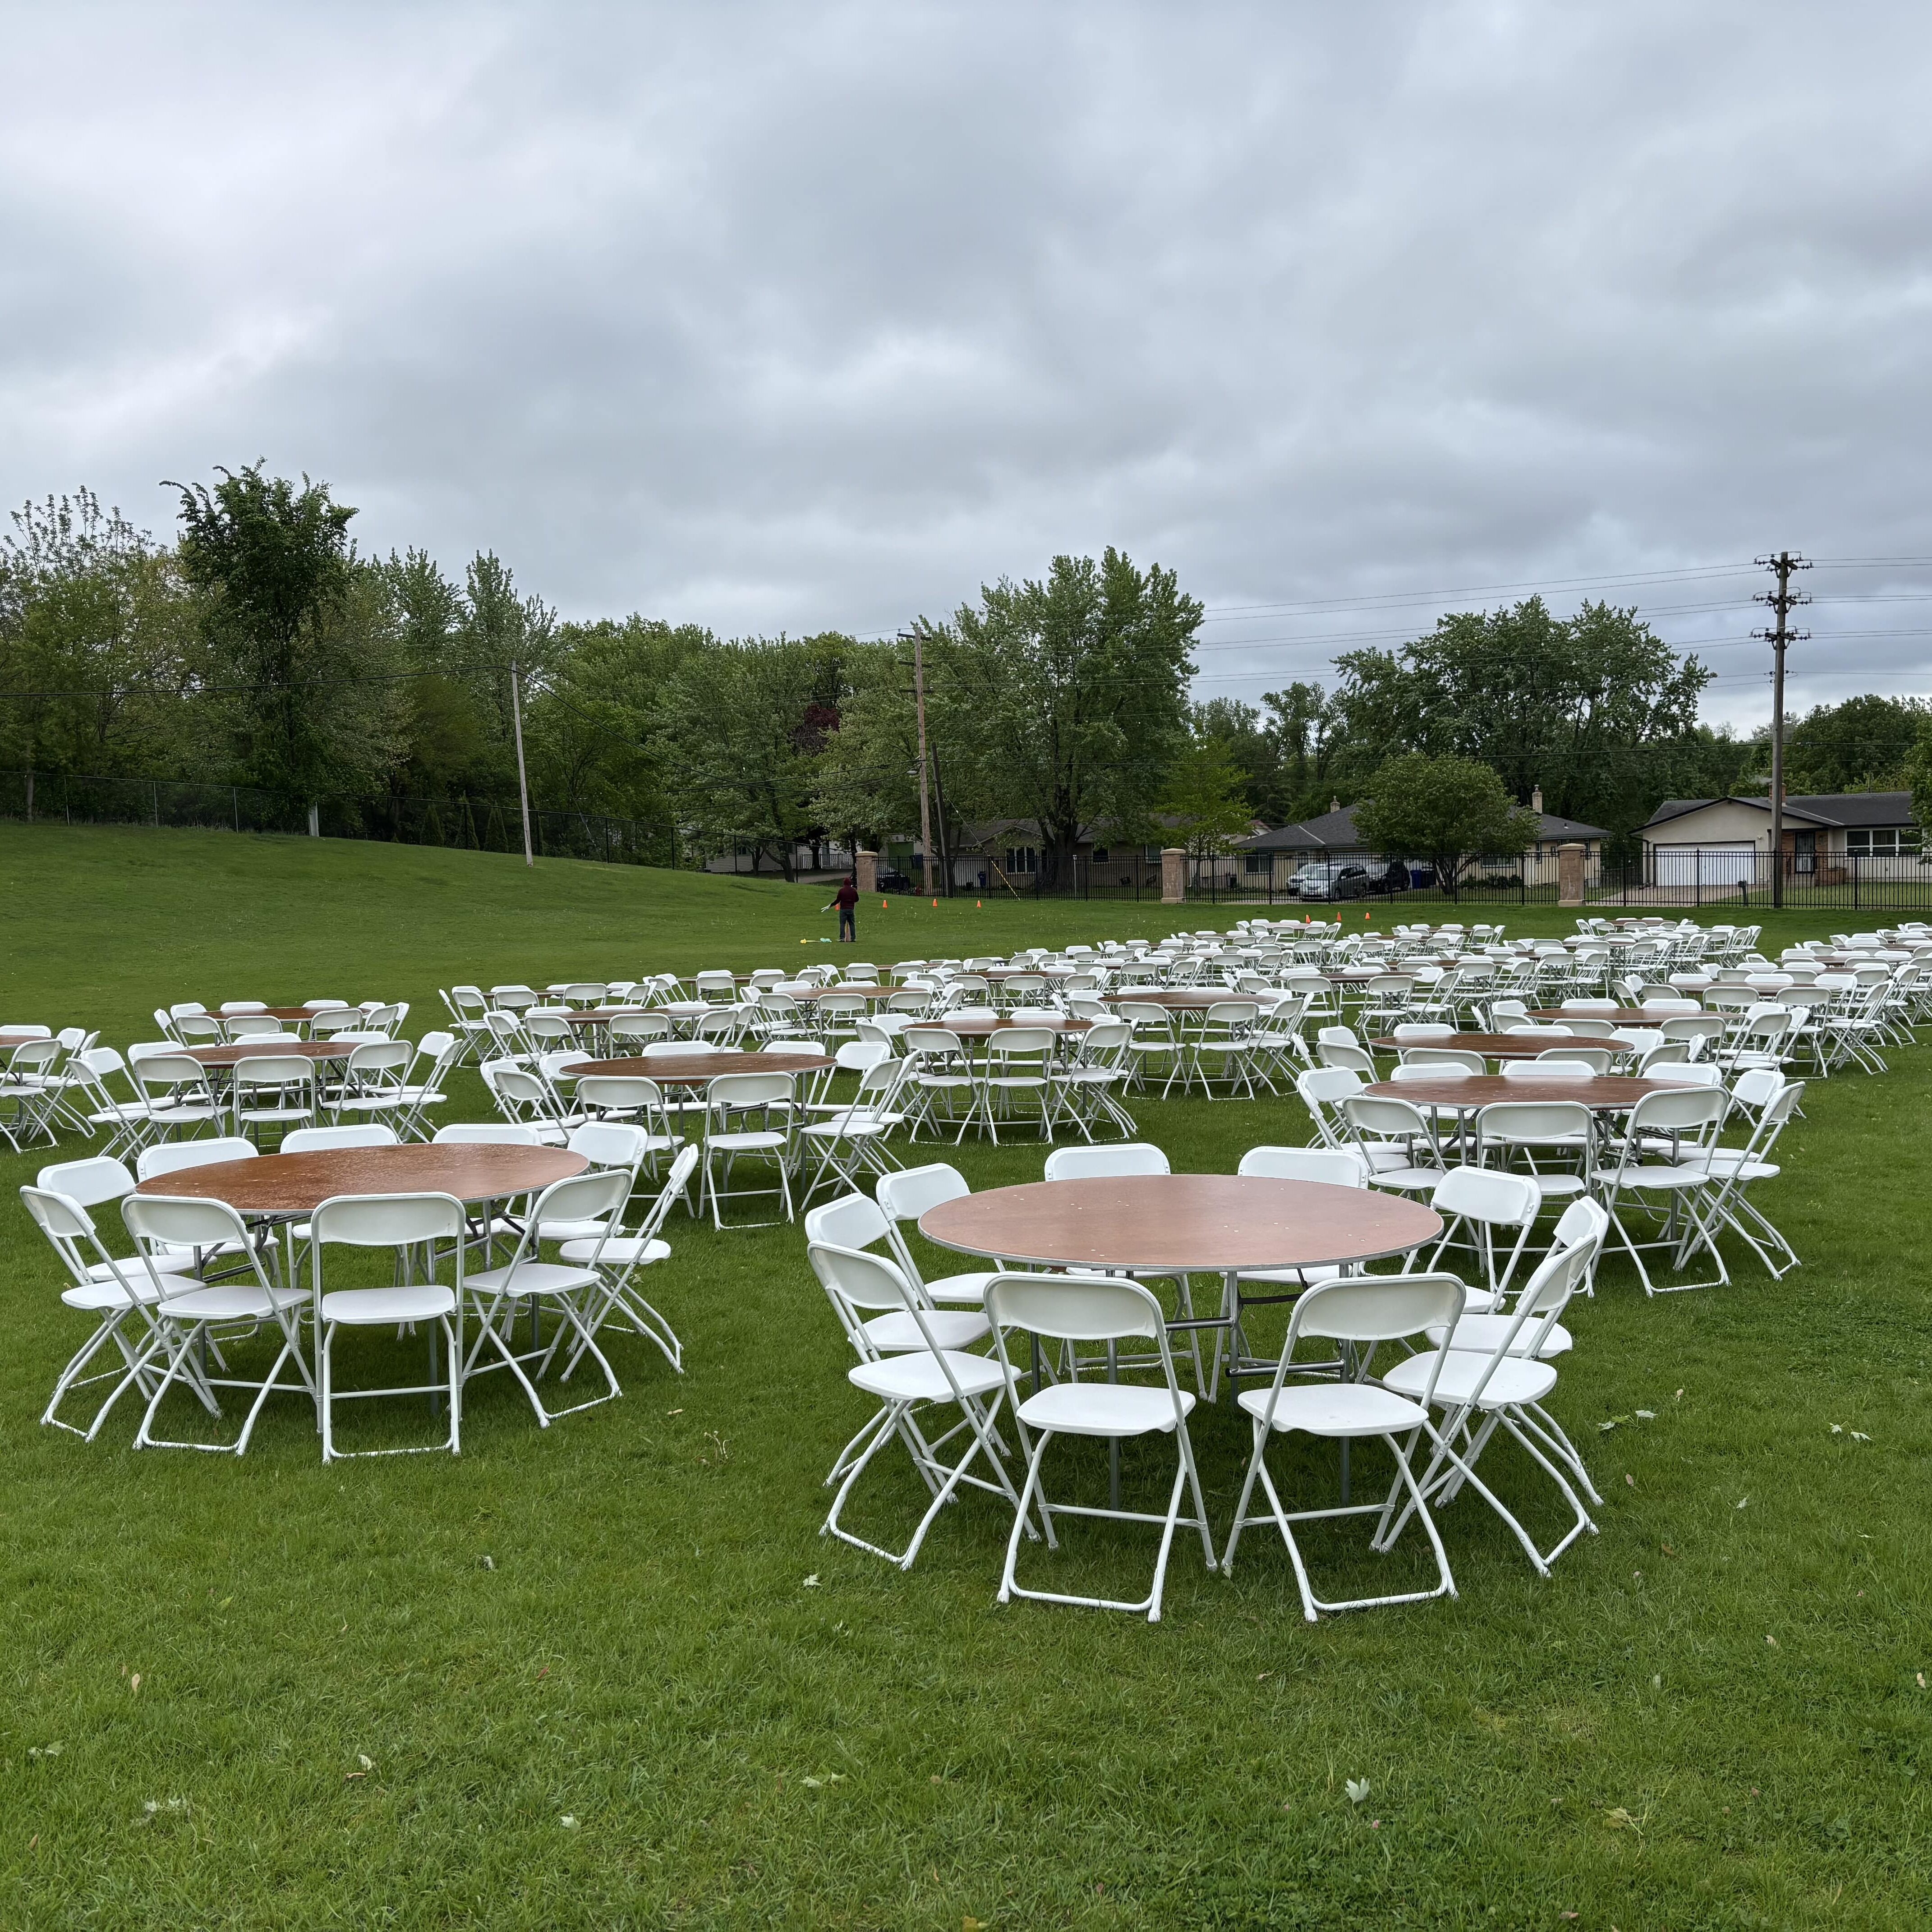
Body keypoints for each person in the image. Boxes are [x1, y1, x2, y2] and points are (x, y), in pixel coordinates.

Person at [832, 874, 859, 943]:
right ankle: (853, 938)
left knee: (842, 924)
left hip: (843, 909)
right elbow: (857, 899)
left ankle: (842, 937)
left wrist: (832, 905)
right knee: (852, 924)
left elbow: (838, 900)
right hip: (851, 909)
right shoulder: (854, 891)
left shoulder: (842, 891)